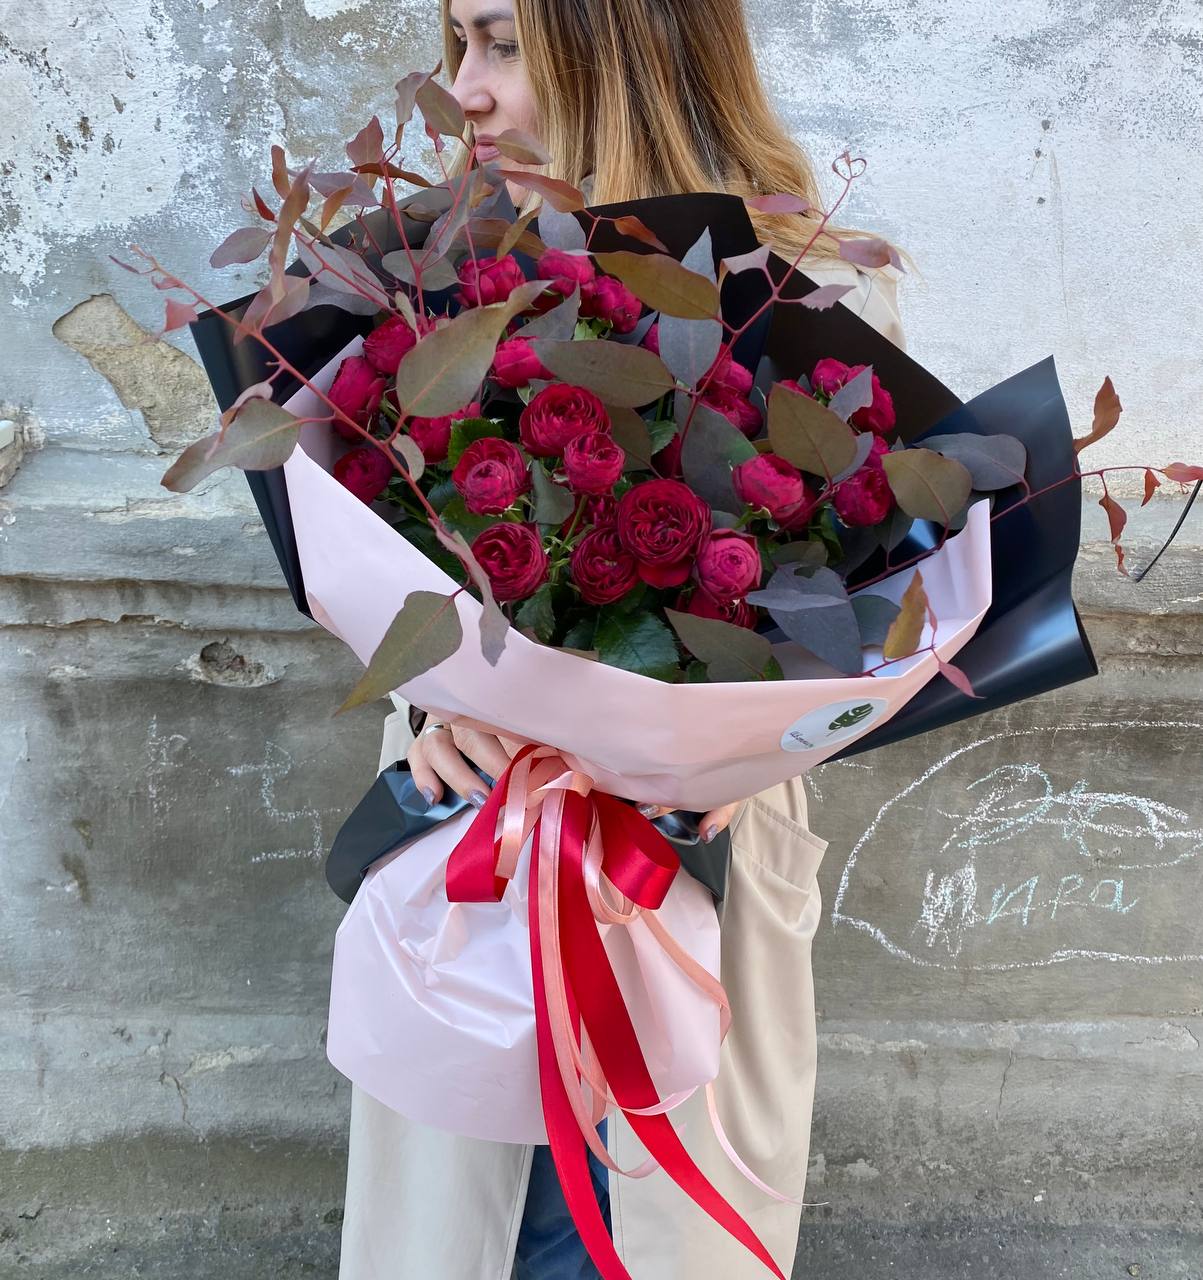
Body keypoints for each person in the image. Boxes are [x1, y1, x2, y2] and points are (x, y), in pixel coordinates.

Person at [338, 1, 909, 1276]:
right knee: (469, 1224)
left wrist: (741, 742)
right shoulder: (437, 290)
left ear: (619, 44)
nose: (464, 89)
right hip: (477, 831)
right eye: (457, 46)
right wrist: (436, 702)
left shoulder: (801, 298)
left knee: (643, 1228)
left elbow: (865, 615)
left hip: (683, 864)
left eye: (501, 44)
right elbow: (384, 555)